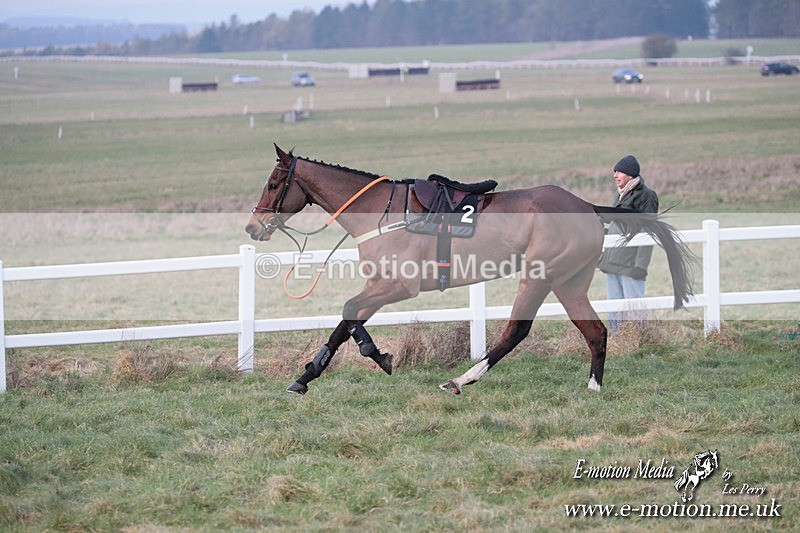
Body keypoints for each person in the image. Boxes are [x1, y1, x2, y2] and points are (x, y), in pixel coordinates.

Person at [598, 155, 659, 333]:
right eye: (614, 172)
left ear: (630, 175)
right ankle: (619, 339)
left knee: (634, 306)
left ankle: (638, 338)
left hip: (630, 264)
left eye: (619, 172)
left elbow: (649, 231)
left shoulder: (647, 196)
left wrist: (641, 265)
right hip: (612, 261)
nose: (615, 175)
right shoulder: (619, 194)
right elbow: (617, 225)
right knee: (615, 307)